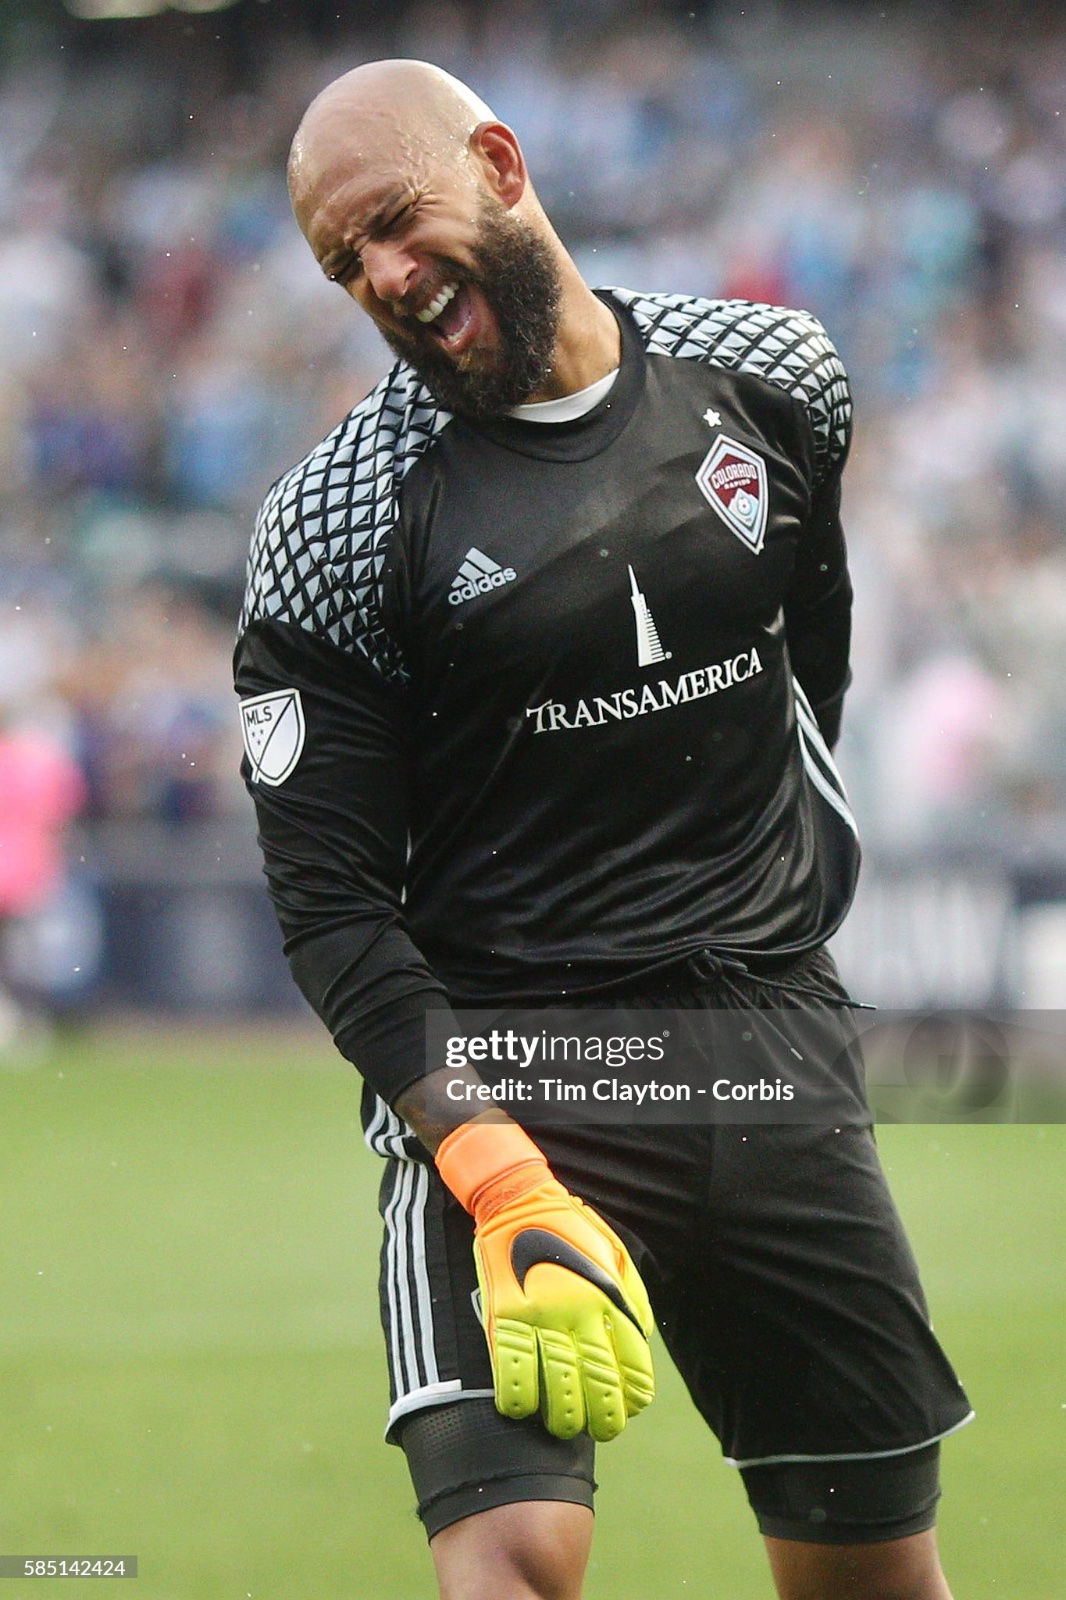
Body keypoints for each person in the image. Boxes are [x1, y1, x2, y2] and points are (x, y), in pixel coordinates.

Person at [234, 59, 972, 1600]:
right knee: (515, 1557)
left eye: (392, 221)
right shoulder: (338, 523)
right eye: (341, 263)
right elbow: (332, 912)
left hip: (765, 1053)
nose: (380, 277)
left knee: (873, 1574)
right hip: (513, 1068)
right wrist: (501, 1181)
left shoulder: (775, 376)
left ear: (498, 163)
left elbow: (803, 681)